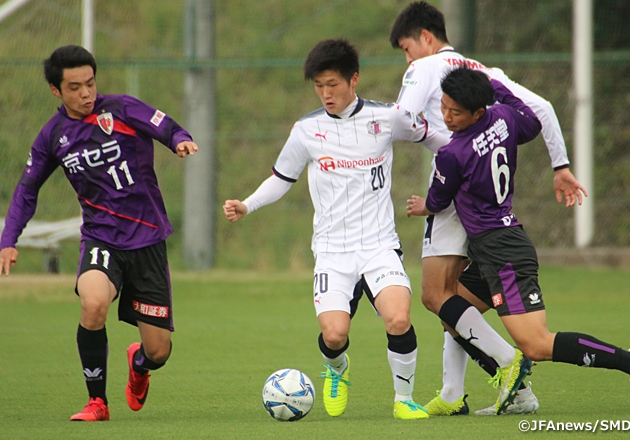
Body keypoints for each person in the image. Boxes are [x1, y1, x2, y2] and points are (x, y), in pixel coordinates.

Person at [223, 39, 449, 420]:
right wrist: (248, 204)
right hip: (332, 250)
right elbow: (282, 178)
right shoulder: (307, 130)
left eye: (333, 84)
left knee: (398, 318)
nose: (326, 93)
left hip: (379, 245)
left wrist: (467, 161)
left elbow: (437, 140)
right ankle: (338, 370)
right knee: (334, 335)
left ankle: (403, 399)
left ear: (354, 79)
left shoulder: (388, 117)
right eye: (319, 86)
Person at [389, 0, 588, 416]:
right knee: (457, 302)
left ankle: (507, 362)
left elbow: (402, 118)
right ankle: (454, 392)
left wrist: (431, 137)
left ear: (425, 38)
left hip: (451, 193)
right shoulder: (482, 72)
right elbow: (544, 110)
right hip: (486, 202)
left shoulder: (425, 69)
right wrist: (561, 166)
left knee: (436, 296)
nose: (407, 58)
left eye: (406, 48)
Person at [406, 66, 630, 414]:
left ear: (477, 111)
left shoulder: (452, 153)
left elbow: (438, 201)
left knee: (536, 344)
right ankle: (516, 395)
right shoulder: (504, 118)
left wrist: (423, 205)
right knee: (453, 316)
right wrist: (496, 83)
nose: (447, 116)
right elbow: (532, 120)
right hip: (495, 247)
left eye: (456, 112)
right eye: (443, 107)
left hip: (503, 251)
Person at [0, 45, 198, 421]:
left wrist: (180, 140)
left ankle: (138, 365)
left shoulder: (122, 108)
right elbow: (27, 190)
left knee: (158, 352)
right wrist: (8, 240)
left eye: (90, 83)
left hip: (148, 240)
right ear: (56, 91)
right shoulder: (52, 136)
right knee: (93, 304)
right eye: (75, 87)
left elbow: (165, 125)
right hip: (101, 238)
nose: (86, 93)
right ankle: (97, 402)